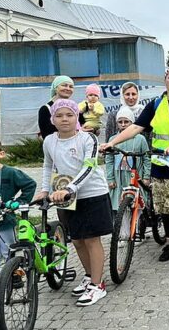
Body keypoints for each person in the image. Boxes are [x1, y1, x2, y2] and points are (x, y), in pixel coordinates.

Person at [102, 66, 169, 264]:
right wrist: (112, 142)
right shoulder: (155, 104)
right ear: (165, 80)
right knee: (166, 208)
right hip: (162, 165)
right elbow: (135, 127)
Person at [37, 99, 113, 306]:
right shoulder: (49, 141)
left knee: (91, 239)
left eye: (69, 115)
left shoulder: (88, 139)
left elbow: (89, 167)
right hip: (66, 196)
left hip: (91, 193)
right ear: (52, 119)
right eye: (59, 115)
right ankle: (89, 276)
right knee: (77, 240)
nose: (64, 119)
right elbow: (47, 166)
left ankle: (98, 286)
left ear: (76, 118)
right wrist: (44, 190)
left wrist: (70, 188)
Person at [0, 140, 36, 267]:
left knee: (8, 251)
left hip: (5, 221)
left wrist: (19, 202)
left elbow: (30, 185)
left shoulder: (10, 173)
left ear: (1, 153)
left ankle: (13, 276)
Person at [105, 108, 151, 214]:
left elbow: (146, 158)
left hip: (135, 177)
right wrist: (110, 178)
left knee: (137, 204)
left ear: (132, 122)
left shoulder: (140, 139)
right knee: (119, 205)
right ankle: (121, 228)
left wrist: (146, 177)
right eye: (120, 122)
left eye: (126, 122)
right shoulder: (113, 139)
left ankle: (138, 225)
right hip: (119, 178)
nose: (123, 124)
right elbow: (109, 159)